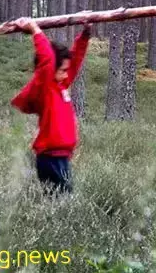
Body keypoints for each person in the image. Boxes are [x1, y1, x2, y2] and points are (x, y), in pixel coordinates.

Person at [9, 17, 91, 195]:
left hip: (60, 157)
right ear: (50, 69)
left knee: (62, 205)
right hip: (50, 158)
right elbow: (47, 59)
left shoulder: (59, 85)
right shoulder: (45, 87)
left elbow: (74, 61)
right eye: (62, 70)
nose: (66, 74)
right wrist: (35, 29)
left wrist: (85, 35)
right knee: (62, 205)